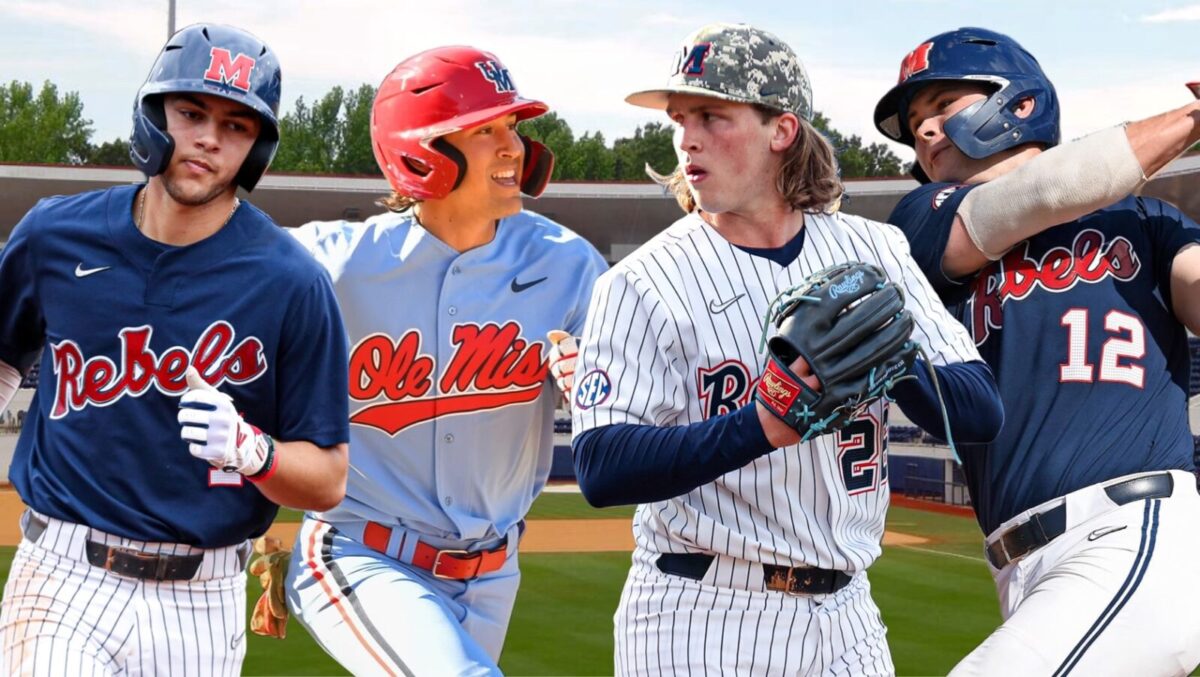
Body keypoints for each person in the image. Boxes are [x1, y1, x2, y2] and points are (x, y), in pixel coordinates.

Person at [569, 22, 1002, 675]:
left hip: (848, 613)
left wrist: (894, 354)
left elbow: (980, 412)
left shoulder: (872, 250)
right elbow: (602, 466)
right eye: (680, 118)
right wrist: (761, 423)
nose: (687, 137)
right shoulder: (641, 281)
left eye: (713, 116)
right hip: (701, 609)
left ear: (782, 130)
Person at [0, 23, 350, 676]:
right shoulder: (54, 236)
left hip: (204, 597)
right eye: (192, 113)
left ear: (255, 148)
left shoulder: (290, 281)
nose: (210, 138)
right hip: (63, 575)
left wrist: (253, 449)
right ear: (154, 113)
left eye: (237, 125)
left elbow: (328, 477)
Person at [874, 26, 1200, 675]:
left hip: (1136, 531)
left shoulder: (1148, 220)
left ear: (1018, 104)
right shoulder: (920, 220)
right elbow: (1041, 194)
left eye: (943, 104)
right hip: (1021, 568)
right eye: (915, 122)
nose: (925, 131)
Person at [283, 46, 607, 676]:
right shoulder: (334, 263)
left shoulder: (568, 265)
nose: (512, 146)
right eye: (485, 129)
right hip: (364, 551)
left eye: (512, 127)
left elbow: (632, 398)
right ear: (421, 151)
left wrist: (594, 387)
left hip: (494, 570)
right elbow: (215, 261)